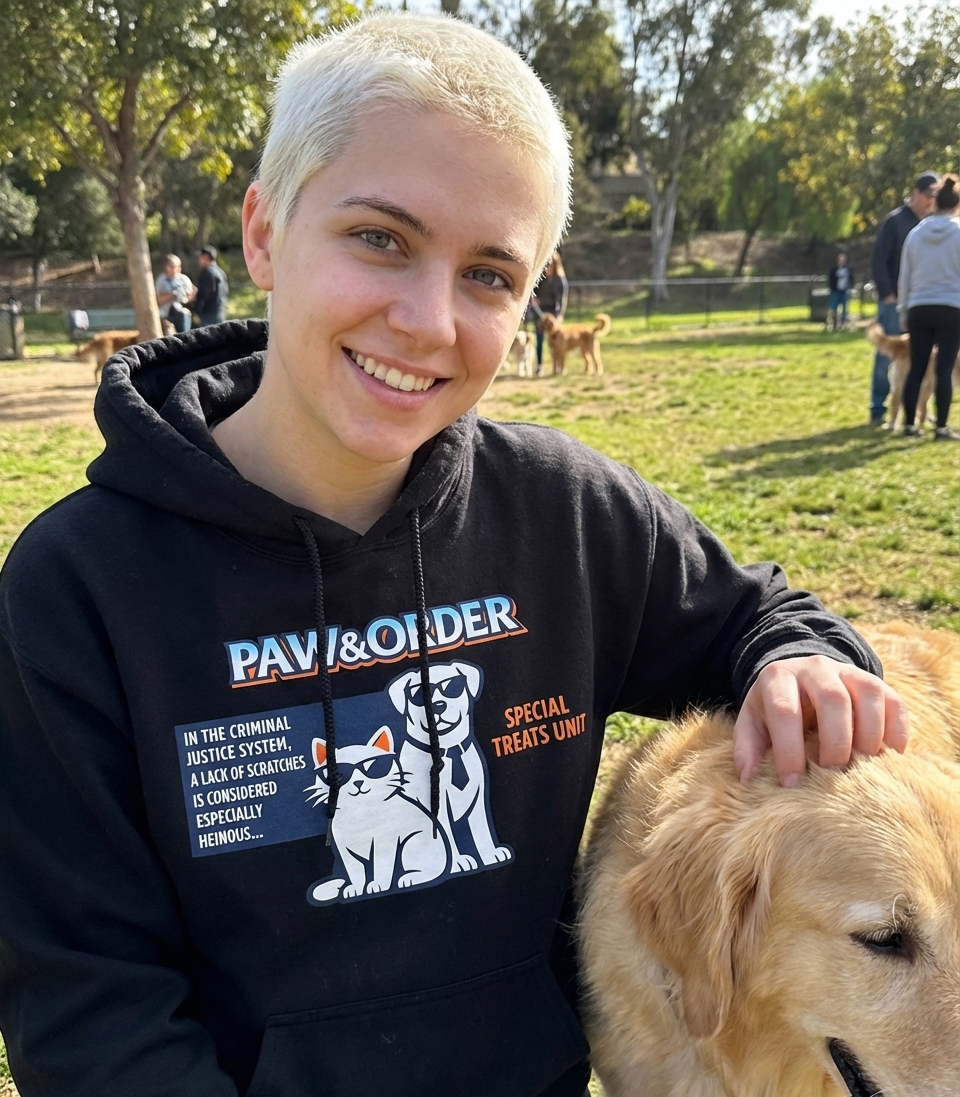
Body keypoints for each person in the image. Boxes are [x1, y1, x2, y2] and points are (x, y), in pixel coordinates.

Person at [0, 15, 908, 1097]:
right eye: (379, 238)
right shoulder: (77, 588)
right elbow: (86, 1002)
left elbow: (758, 616)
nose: (428, 320)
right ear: (263, 231)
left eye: (487, 273)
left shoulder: (567, 512)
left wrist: (798, 660)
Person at [868, 171, 939, 424]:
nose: (932, 200)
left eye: (936, 195)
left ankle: (920, 410)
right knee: (888, 355)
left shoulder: (933, 224)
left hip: (922, 301)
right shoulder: (895, 221)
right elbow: (879, 259)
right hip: (895, 301)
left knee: (926, 357)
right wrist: (887, 294)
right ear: (915, 193)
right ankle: (878, 408)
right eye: (929, 194)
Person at [898, 173, 960, 440]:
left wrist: (903, 310)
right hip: (951, 306)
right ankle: (941, 427)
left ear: (935, 201)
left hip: (920, 306)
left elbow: (905, 276)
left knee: (917, 367)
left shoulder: (916, 233)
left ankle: (909, 425)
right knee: (944, 369)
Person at [533, 250, 568, 374]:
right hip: (540, 312)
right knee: (539, 339)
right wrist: (536, 303)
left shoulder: (560, 281)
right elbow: (533, 295)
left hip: (553, 312)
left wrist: (559, 316)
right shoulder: (540, 279)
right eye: (546, 265)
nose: (548, 268)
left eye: (551, 265)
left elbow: (562, 300)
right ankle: (539, 366)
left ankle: (558, 367)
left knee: (557, 342)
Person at [155, 253, 196, 333]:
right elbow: (158, 301)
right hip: (166, 315)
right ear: (167, 267)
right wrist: (173, 294)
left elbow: (190, 298)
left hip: (182, 313)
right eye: (175, 267)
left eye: (179, 266)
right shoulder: (161, 281)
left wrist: (188, 296)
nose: (178, 269)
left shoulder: (184, 279)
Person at [195, 245, 230, 326]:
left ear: (206, 257)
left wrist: (197, 309)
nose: (198, 260)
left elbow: (204, 295)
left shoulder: (208, 274)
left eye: (200, 257)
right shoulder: (221, 272)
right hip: (220, 312)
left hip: (209, 315)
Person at [826, 252, 853, 331]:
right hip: (835, 291)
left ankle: (843, 323)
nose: (841, 262)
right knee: (833, 308)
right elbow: (830, 279)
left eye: (843, 261)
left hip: (844, 291)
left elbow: (851, 278)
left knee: (844, 308)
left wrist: (850, 286)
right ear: (837, 261)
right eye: (840, 260)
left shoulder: (848, 269)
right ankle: (834, 324)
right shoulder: (834, 269)